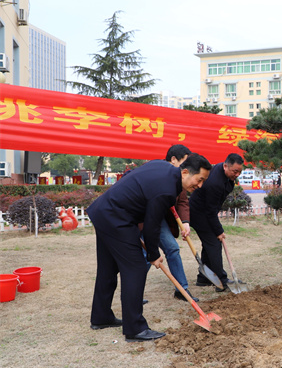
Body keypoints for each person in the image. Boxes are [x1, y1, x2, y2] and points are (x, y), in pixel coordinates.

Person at [88, 154, 211, 342]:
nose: (200, 185)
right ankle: (135, 328)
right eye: (199, 180)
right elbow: (151, 224)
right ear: (185, 172)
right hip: (117, 218)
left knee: (108, 268)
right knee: (136, 268)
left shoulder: (163, 168)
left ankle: (101, 316)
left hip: (105, 212)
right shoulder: (167, 190)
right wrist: (154, 254)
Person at [189, 153, 244, 291]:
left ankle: (203, 278)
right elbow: (210, 211)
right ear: (225, 166)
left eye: (239, 172)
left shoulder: (223, 171)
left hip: (205, 211)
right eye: (234, 171)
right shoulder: (215, 183)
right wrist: (219, 231)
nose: (237, 174)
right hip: (199, 213)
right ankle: (221, 280)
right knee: (214, 244)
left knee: (209, 244)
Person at [160, 144, 199, 302]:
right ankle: (134, 292)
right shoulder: (158, 172)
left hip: (161, 219)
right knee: (144, 256)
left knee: (172, 248)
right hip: (144, 218)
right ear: (174, 159)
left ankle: (181, 289)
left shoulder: (180, 176)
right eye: (184, 162)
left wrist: (185, 222)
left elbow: (182, 201)